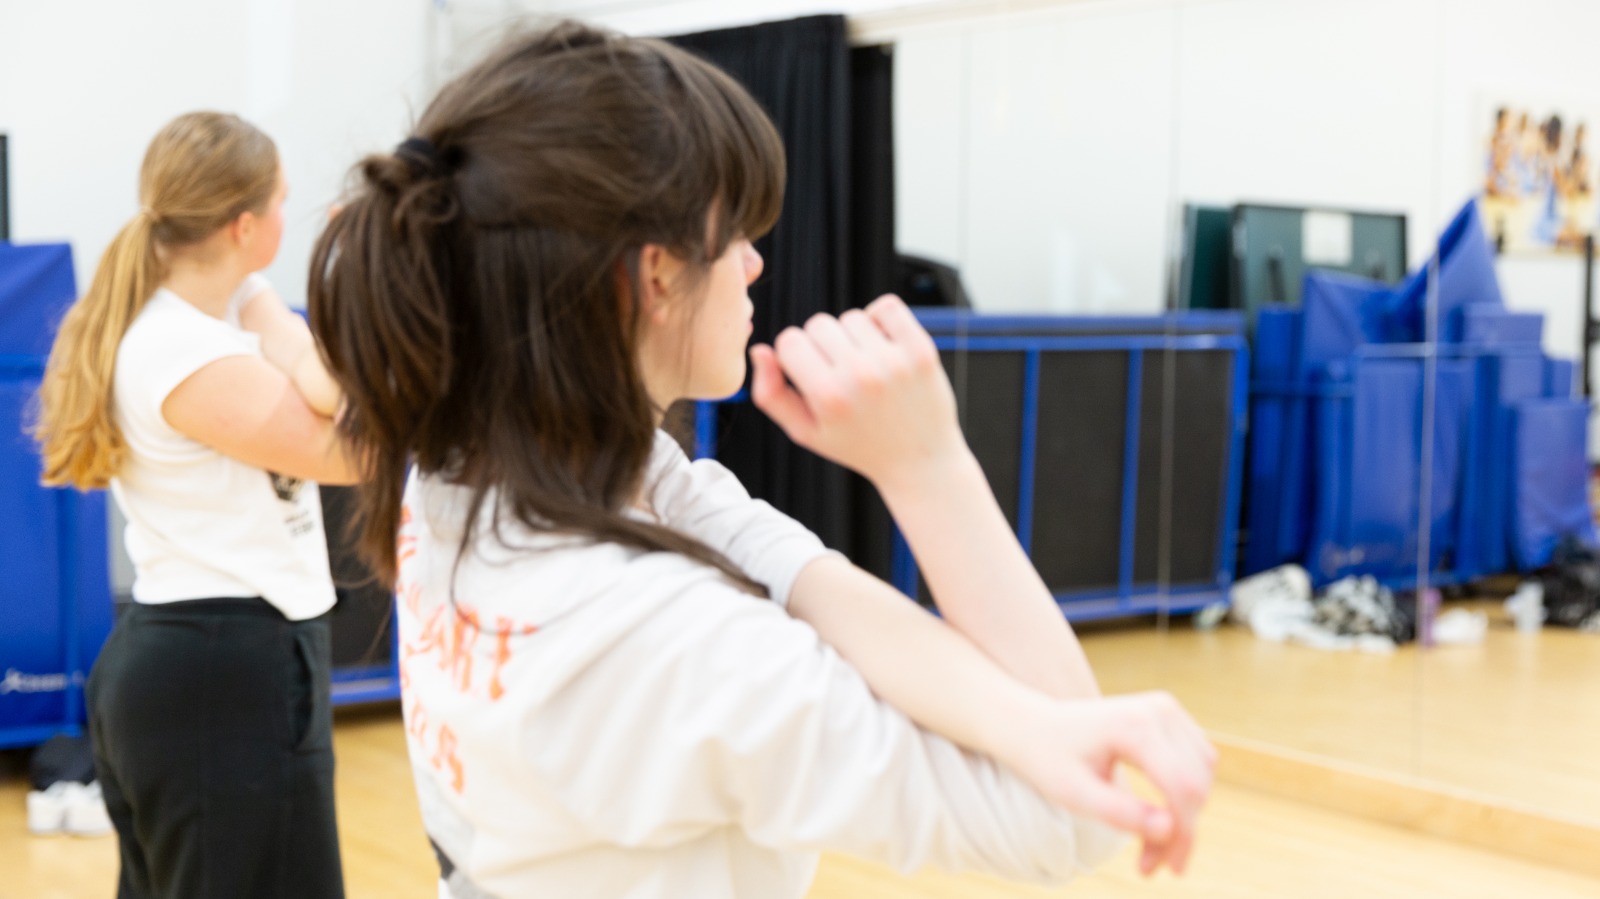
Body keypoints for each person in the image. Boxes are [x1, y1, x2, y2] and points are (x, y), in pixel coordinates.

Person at [309, 22, 1215, 899]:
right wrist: (928, 467)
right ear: (657, 275)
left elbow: (788, 566)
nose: (754, 262)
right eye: (734, 232)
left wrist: (1031, 722)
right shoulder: (670, 638)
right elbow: (1071, 821)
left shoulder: (464, 471)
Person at [34, 111, 358, 899]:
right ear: (249, 225)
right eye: (282, 201)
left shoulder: (202, 329)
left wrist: (266, 318)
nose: (290, 214)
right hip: (220, 668)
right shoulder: (186, 349)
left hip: (219, 664)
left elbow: (330, 393)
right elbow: (355, 447)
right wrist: (294, 314)